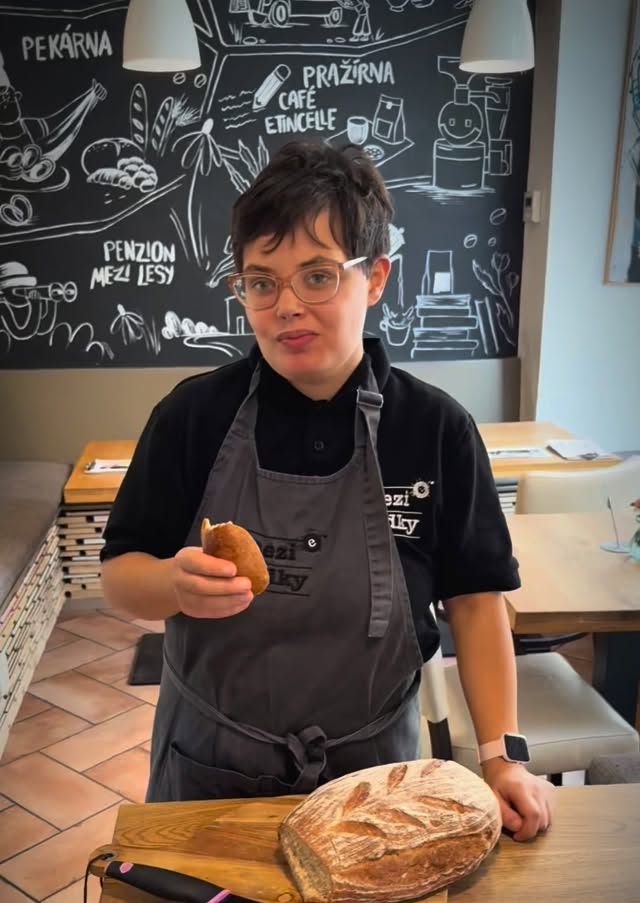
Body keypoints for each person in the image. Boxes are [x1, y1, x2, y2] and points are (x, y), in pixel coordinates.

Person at [101, 139, 555, 841]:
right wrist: (173, 585)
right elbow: (121, 579)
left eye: (317, 277)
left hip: (374, 784)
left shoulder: (435, 429)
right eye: (261, 281)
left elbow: (475, 601)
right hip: (209, 775)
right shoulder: (192, 418)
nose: (286, 307)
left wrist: (502, 758)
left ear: (375, 277)